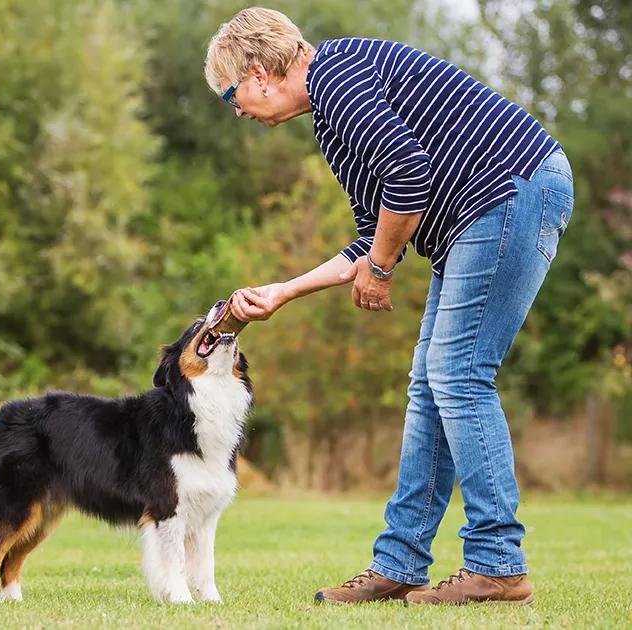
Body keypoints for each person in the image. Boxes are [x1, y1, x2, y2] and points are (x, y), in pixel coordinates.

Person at [203, 8, 573, 606]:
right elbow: (372, 230)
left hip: (511, 192)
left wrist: (380, 269)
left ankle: (499, 563)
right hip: (482, 213)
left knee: (458, 376)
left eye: (232, 97)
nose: (239, 112)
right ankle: (400, 564)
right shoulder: (334, 106)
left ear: (259, 71)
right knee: (432, 383)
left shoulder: (338, 79)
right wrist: (282, 292)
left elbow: (408, 178)